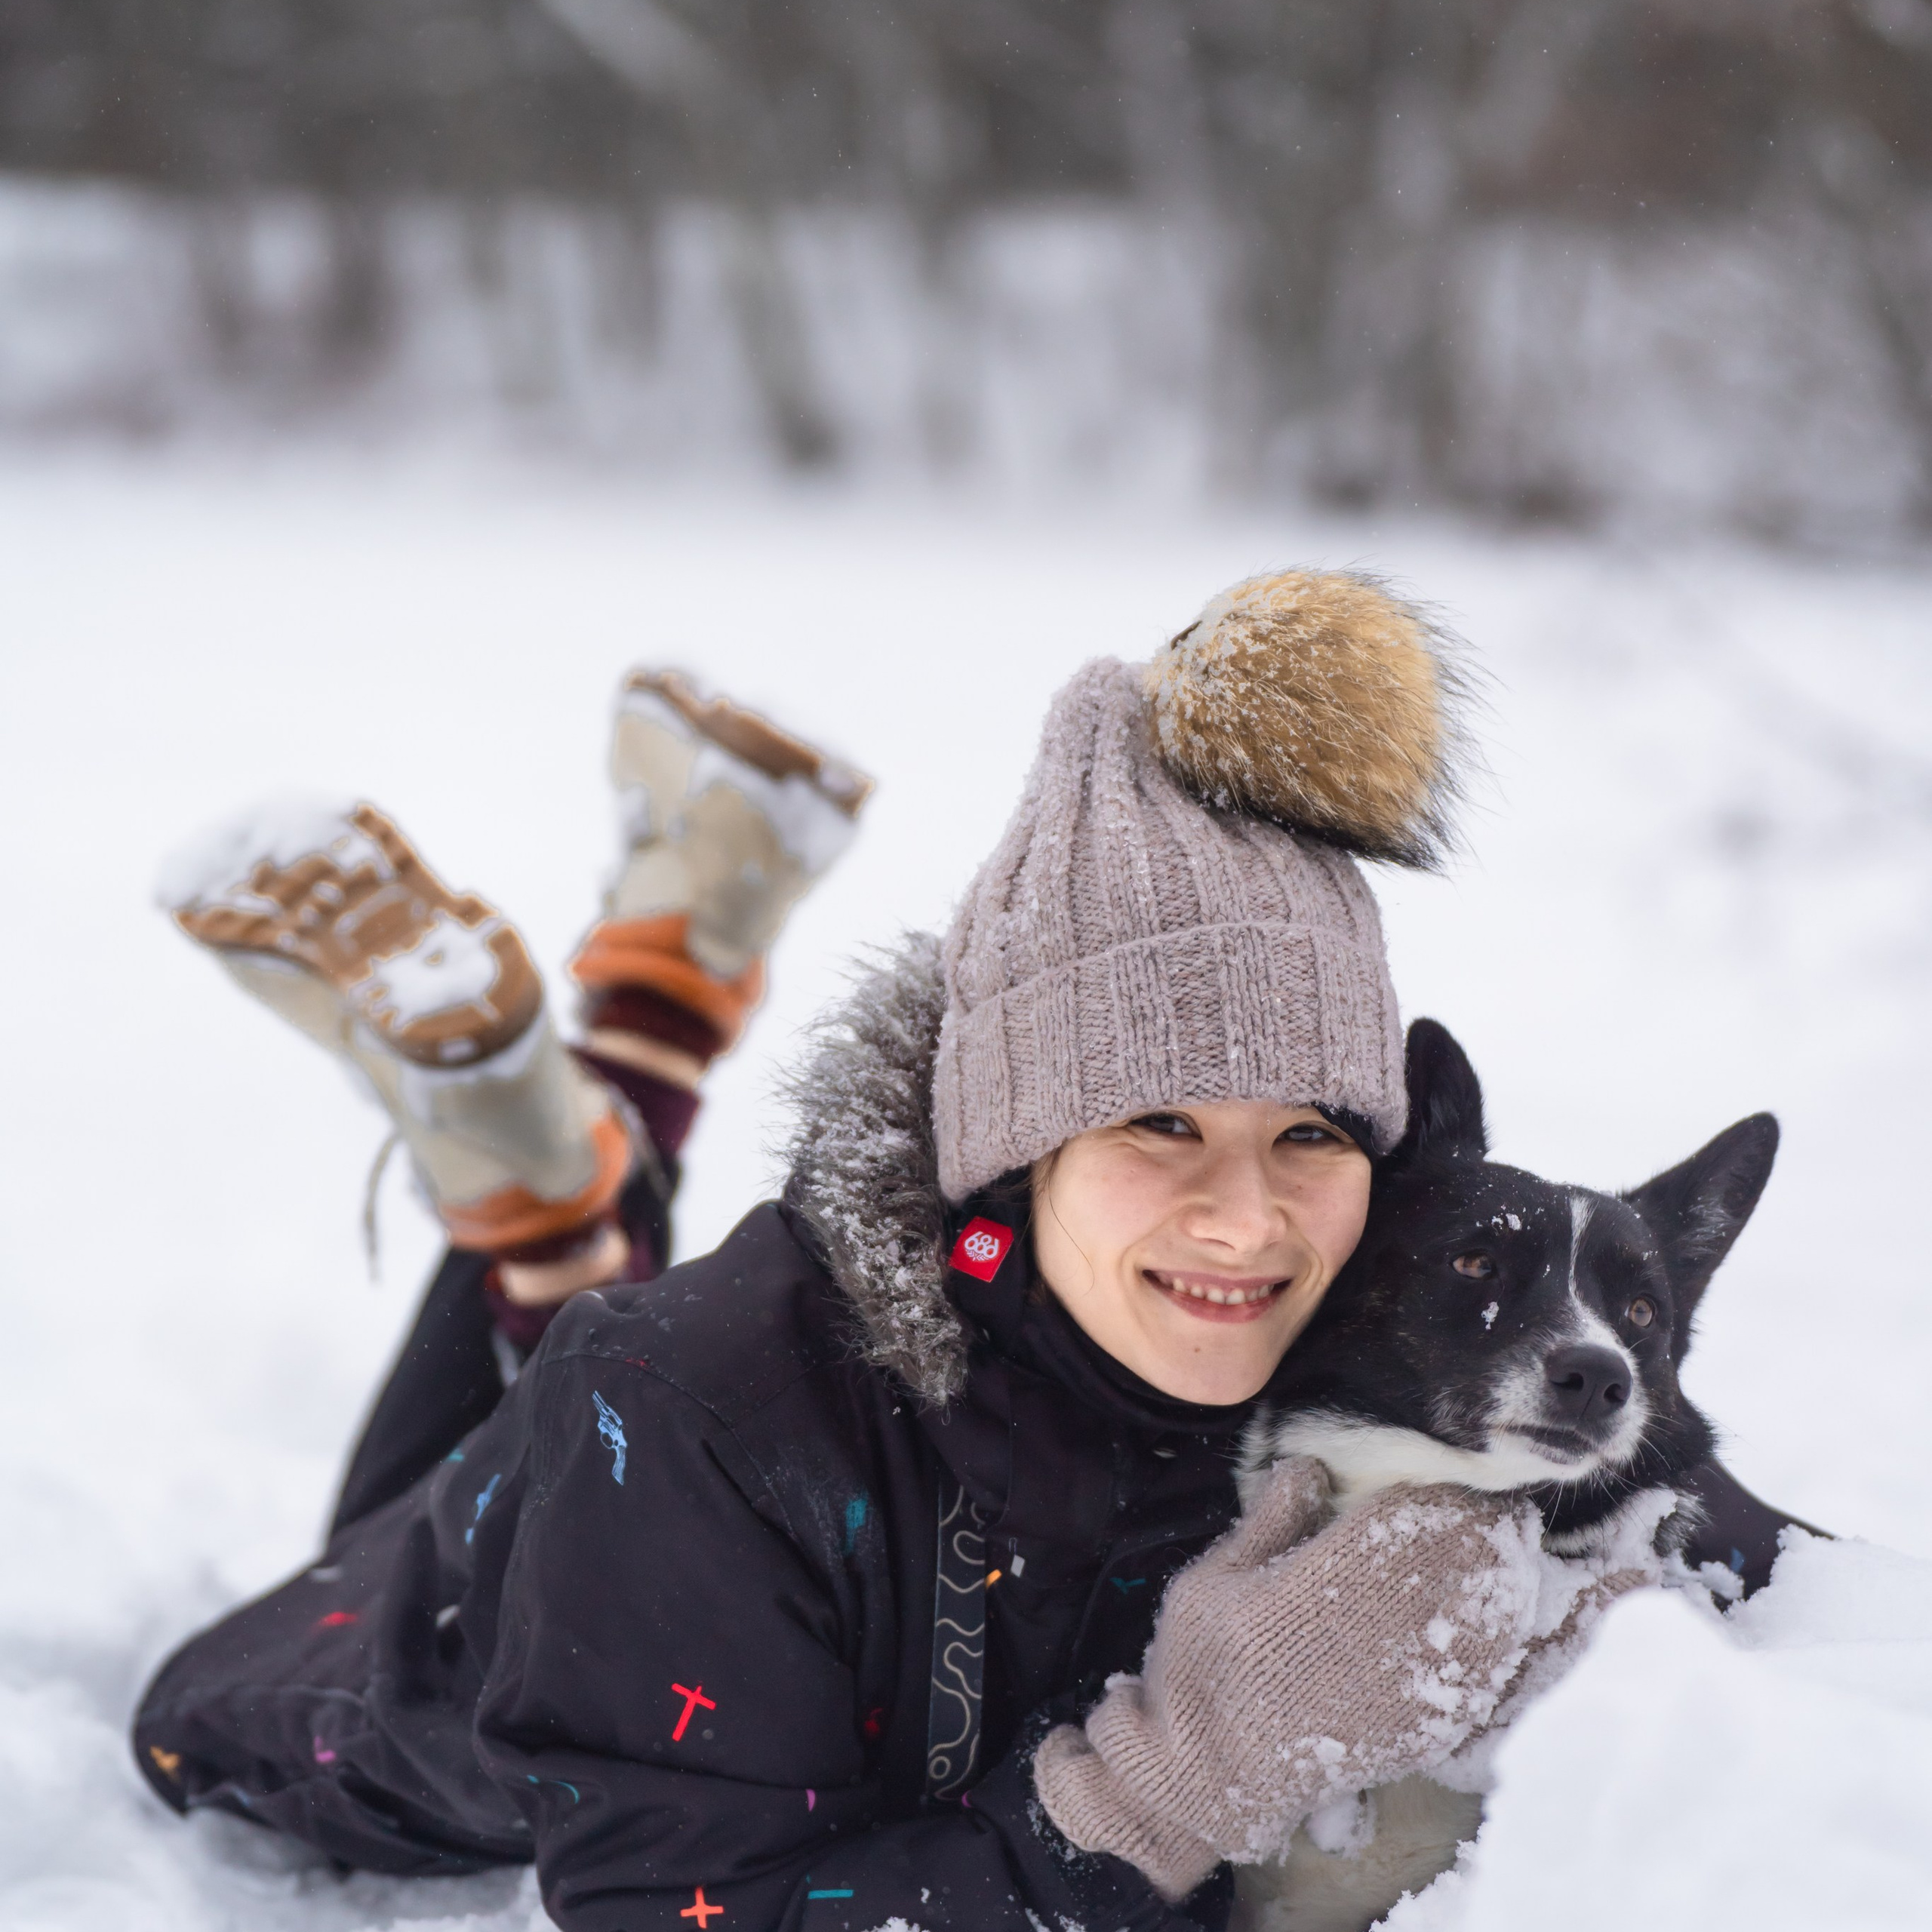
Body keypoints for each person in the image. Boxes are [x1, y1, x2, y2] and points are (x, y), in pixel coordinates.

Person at [133, 573, 1805, 1931]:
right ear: (1017, 1148)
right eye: (1159, 1125)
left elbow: (1760, 1553)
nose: (1247, 1218)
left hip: (663, 1472)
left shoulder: (1332, 1301)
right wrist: (1176, 1773)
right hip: (408, 1669)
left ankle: (618, 1050)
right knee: (546, 1417)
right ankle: (585, 1105)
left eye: (1309, 1133)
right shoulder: (697, 1413)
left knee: (590, 1350)